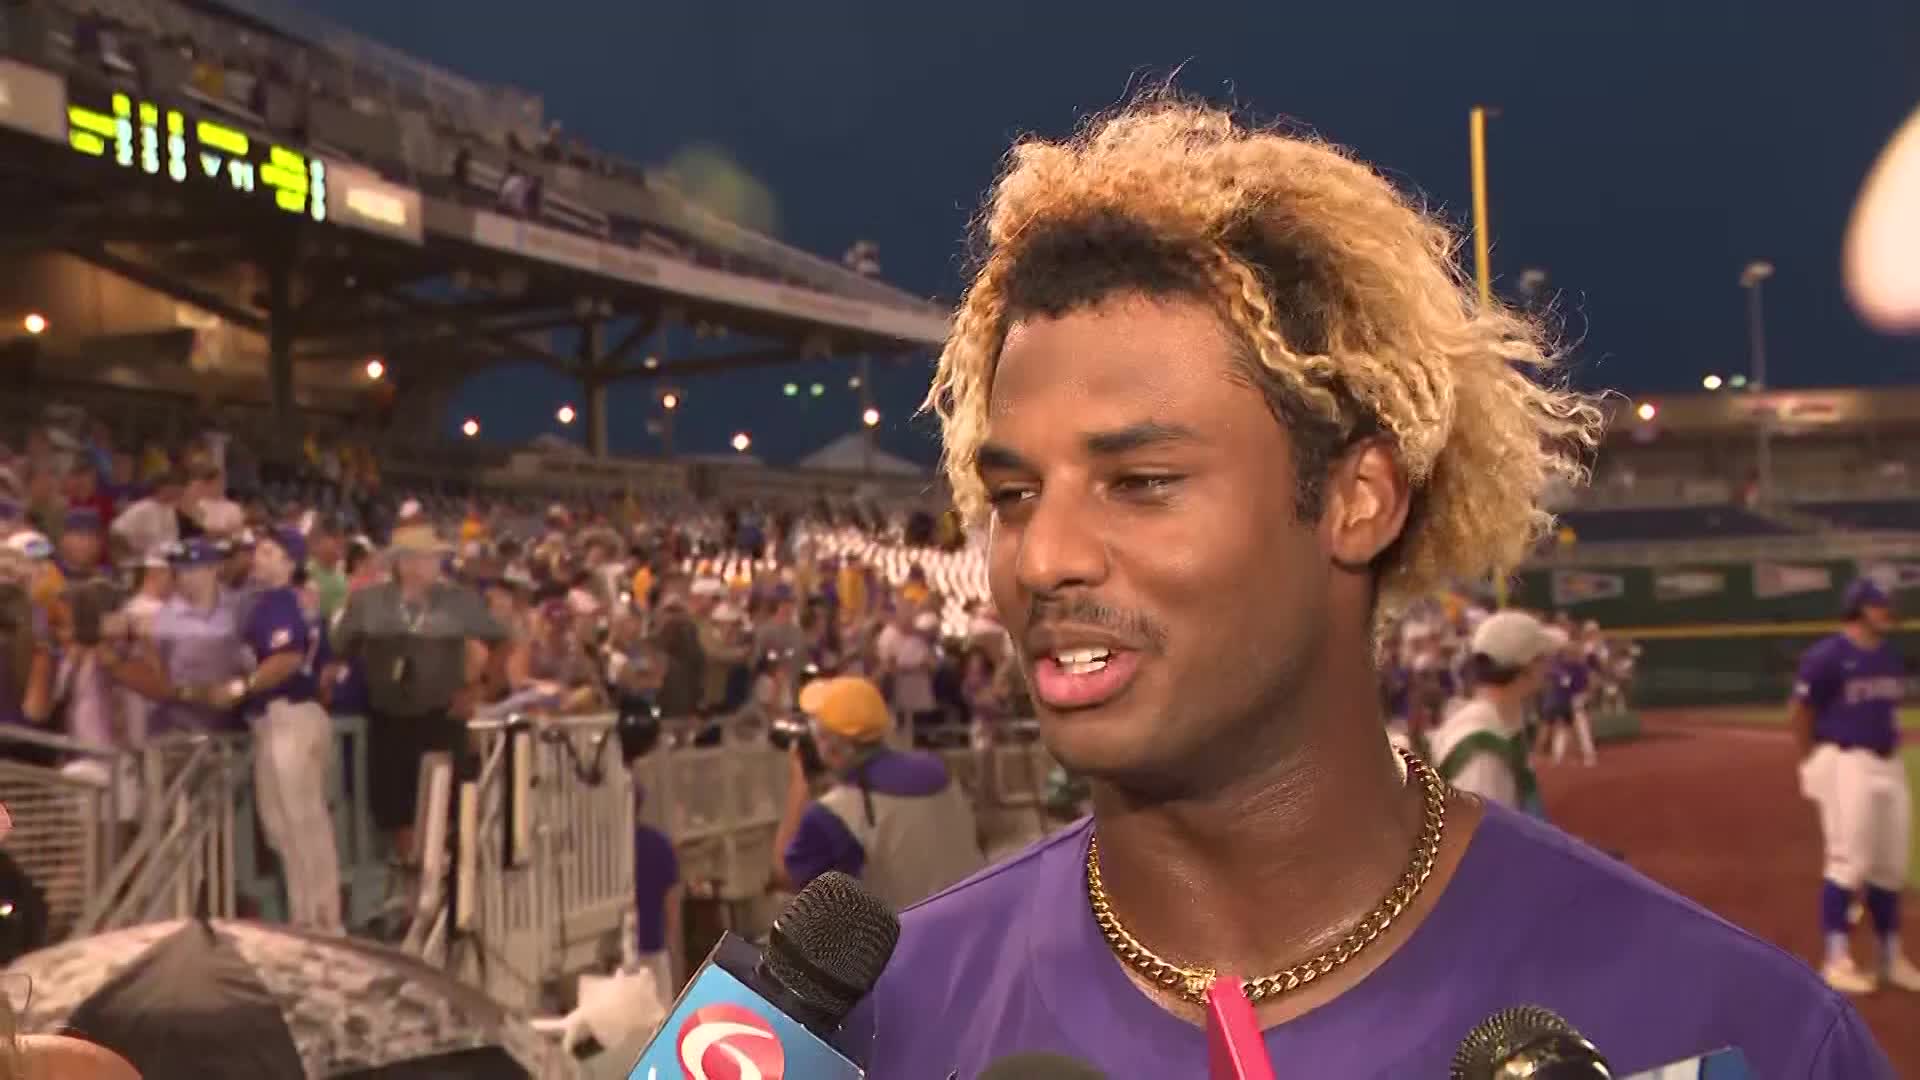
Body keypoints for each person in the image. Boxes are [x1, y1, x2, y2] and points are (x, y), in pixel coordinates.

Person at [840, 95, 1893, 1077]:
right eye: (1015, 493)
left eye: (1141, 482)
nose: (1042, 555)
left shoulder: (1732, 1030)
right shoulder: (893, 1021)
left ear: (1359, 501)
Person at [1791, 579, 1920, 996]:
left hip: (1889, 763)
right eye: (1881, 606)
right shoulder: (1828, 656)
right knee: (1849, 861)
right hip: (1849, 762)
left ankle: (1889, 957)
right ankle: (1836, 958)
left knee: (1889, 867)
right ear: (1860, 609)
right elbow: (1801, 710)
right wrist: (1811, 759)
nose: (1888, 612)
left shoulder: (1887, 656)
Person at [772, 675, 983, 910]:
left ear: (832, 747)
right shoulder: (938, 770)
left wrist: (799, 785)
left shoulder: (832, 814)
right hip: (976, 922)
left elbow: (785, 875)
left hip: (910, 941)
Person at [238, 525, 342, 931]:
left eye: (268, 552)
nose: (257, 558)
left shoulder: (277, 601)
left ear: (288, 562)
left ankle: (314, 920)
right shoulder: (306, 602)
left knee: (293, 823)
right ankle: (321, 916)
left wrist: (240, 688)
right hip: (304, 714)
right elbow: (329, 665)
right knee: (298, 822)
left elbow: (287, 655)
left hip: (287, 717)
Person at [1425, 611, 1559, 815]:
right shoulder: (1481, 747)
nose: (1548, 666)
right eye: (1542, 659)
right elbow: (1481, 840)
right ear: (1526, 667)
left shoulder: (1498, 722)